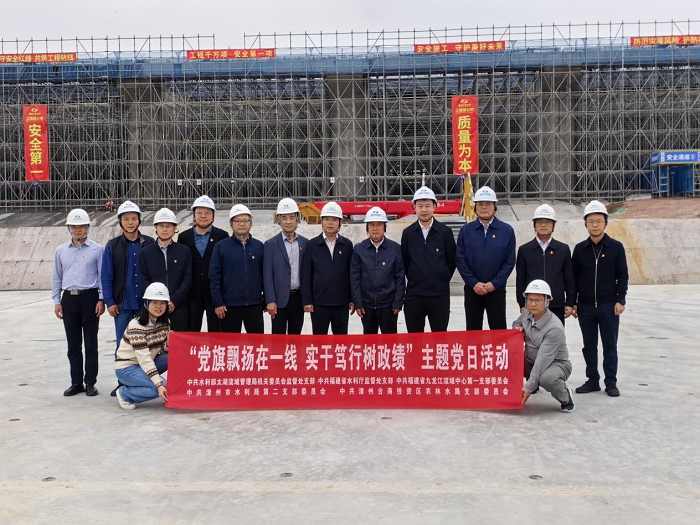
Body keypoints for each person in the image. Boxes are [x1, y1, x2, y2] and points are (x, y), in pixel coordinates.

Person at [572, 200, 629, 397]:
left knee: (609, 345)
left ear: (606, 223)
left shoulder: (616, 247)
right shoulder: (580, 249)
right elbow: (573, 278)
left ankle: (611, 382)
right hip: (585, 306)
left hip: (608, 306)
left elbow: (622, 275)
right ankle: (592, 380)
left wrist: (620, 300)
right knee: (589, 345)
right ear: (585, 224)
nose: (595, 225)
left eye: (598, 221)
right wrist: (573, 302)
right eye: (591, 221)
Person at [51, 208, 105, 397]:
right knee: (73, 344)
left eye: (81, 226)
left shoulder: (97, 249)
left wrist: (101, 299)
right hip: (69, 300)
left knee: (90, 343)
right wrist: (57, 301)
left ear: (87, 227)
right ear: (69, 228)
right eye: (74, 227)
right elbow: (56, 277)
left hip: (90, 298)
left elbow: (102, 276)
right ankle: (76, 382)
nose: (78, 230)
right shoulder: (60, 251)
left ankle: (90, 382)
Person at [456, 185, 515, 330]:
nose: (484, 207)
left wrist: (494, 283)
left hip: (496, 290)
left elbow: (509, 261)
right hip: (472, 290)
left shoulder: (506, 231)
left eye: (488, 204)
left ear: (494, 206)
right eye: (480, 204)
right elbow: (460, 259)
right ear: (475, 207)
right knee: (473, 331)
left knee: (498, 331)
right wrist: (473, 283)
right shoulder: (466, 231)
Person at [400, 186, 456, 333]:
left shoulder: (445, 232)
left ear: (434, 207)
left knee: (439, 337)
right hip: (414, 295)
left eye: (427, 206)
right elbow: (405, 261)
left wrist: (441, 278)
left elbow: (451, 261)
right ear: (414, 207)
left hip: (439, 295)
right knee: (415, 338)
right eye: (420, 206)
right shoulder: (408, 233)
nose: (424, 210)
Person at [515, 279, 575, 413]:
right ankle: (514, 393)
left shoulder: (554, 328)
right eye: (530, 300)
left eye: (538, 300)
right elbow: (516, 323)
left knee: (547, 379)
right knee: (507, 360)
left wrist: (529, 387)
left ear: (547, 302)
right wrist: (518, 328)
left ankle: (566, 397)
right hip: (531, 360)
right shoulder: (526, 313)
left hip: (555, 364)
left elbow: (542, 359)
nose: (533, 304)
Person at [102, 201, 154, 349]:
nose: (130, 223)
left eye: (133, 219)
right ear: (120, 222)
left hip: (145, 305)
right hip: (122, 305)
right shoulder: (112, 246)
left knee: (147, 345)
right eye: (126, 219)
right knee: (123, 346)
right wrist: (109, 302)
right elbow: (106, 275)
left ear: (139, 221)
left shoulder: (149, 243)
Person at [515, 204, 575, 325]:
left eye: (547, 222)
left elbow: (569, 278)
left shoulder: (563, 249)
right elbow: (520, 279)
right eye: (539, 222)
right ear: (534, 225)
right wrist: (522, 303)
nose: (543, 225)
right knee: (533, 335)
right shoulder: (524, 250)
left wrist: (570, 302)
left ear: (553, 226)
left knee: (556, 334)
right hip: (533, 304)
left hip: (556, 303)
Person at [114, 282, 171, 410]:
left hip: (145, 364)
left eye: (162, 303)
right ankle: (125, 393)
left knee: (172, 357)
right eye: (154, 302)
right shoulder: (136, 325)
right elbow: (144, 359)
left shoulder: (165, 323)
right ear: (146, 303)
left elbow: (162, 351)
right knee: (162, 387)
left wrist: (169, 343)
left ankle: (142, 383)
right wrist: (159, 384)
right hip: (127, 368)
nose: (159, 306)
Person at [209, 204, 265, 333]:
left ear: (250, 223)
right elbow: (214, 276)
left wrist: (266, 299)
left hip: (254, 304)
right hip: (229, 306)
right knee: (230, 343)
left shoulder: (259, 246)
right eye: (237, 221)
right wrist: (218, 302)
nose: (242, 224)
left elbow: (265, 275)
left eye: (245, 220)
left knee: (257, 342)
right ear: (231, 224)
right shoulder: (221, 247)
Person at [177, 195, 229, 332]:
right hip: (192, 294)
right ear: (194, 215)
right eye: (199, 212)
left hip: (215, 294)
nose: (203, 216)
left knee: (217, 333)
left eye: (207, 213)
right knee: (191, 332)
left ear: (213, 217)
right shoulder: (184, 237)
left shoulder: (222, 236)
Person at [301, 202, 354, 335]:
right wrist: (307, 300)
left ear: (340, 223)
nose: (330, 223)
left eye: (334, 220)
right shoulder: (311, 245)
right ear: (322, 222)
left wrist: (352, 299)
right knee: (319, 341)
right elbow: (306, 274)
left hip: (341, 303)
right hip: (319, 304)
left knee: (341, 342)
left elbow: (351, 274)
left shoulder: (347, 245)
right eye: (327, 219)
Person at [350, 207, 405, 334]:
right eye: (372, 225)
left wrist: (398, 301)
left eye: (379, 224)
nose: (375, 228)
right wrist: (358, 302)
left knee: (390, 341)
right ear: (367, 228)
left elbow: (400, 277)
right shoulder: (359, 249)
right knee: (369, 341)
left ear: (385, 227)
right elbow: (355, 278)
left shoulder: (395, 248)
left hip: (389, 305)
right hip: (367, 306)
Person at [138, 208, 192, 331]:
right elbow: (143, 279)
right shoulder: (145, 253)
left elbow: (187, 279)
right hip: (154, 309)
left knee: (179, 340)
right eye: (161, 226)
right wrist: (157, 301)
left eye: (168, 226)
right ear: (155, 228)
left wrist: (174, 300)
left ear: (174, 228)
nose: (164, 229)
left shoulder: (184, 251)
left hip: (178, 307)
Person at [263, 198, 308, 334]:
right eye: (284, 218)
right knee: (278, 340)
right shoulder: (270, 244)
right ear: (279, 220)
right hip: (279, 301)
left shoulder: (305, 243)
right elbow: (267, 275)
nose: (288, 221)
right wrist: (270, 300)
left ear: (297, 219)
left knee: (296, 338)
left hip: (298, 299)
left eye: (291, 218)